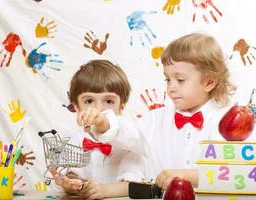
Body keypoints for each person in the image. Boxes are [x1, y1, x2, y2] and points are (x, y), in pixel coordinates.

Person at [81, 33, 237, 191]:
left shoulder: (226, 123)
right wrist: (104, 122)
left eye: (180, 80)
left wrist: (187, 176)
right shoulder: (155, 119)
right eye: (168, 79)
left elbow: (231, 174)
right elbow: (130, 133)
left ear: (209, 82)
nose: (171, 87)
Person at [49, 59, 144, 199]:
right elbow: (74, 178)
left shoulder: (130, 137)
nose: (99, 109)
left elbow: (136, 185)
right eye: (89, 101)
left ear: (122, 106)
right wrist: (71, 184)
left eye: (109, 101)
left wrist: (106, 191)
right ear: (76, 107)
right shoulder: (73, 138)